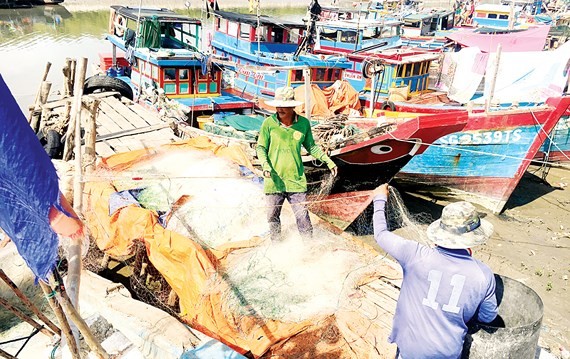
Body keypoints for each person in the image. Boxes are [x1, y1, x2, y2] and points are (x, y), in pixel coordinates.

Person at [372, 184, 498, 359]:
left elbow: (380, 234)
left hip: (409, 351)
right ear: (474, 237)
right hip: (447, 354)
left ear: (441, 231)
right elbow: (487, 317)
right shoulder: (484, 275)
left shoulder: (415, 254)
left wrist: (379, 199)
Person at [257, 86, 337, 240]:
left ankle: (308, 248)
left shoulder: (304, 124)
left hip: (296, 180)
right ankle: (276, 245)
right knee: (272, 216)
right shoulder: (268, 123)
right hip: (274, 181)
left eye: (284, 106)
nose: (280, 109)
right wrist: (266, 166)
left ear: (293, 106)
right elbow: (261, 148)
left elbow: (311, 147)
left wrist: (329, 162)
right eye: (278, 105)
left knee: (302, 217)